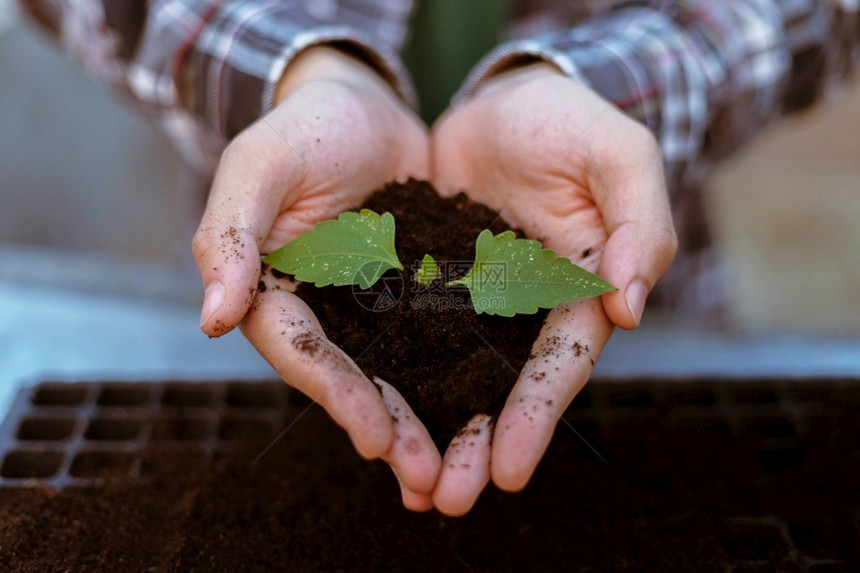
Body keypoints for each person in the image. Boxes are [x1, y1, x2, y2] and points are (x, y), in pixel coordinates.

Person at [20, 0, 857, 516]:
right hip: (268, 344)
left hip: (636, 328)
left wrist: (610, 82)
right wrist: (307, 77)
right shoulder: (332, 254)